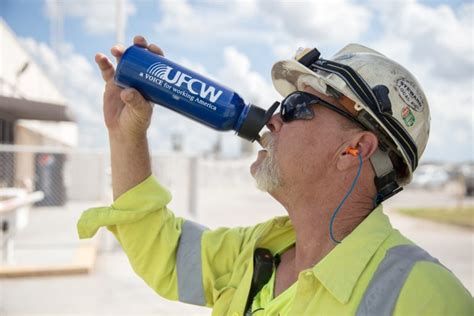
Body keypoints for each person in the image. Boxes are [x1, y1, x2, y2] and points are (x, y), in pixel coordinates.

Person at [78, 35, 473, 315]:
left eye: (298, 105)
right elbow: (161, 251)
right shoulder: (261, 248)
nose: (275, 118)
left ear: (354, 150)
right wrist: (126, 134)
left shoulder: (430, 299)